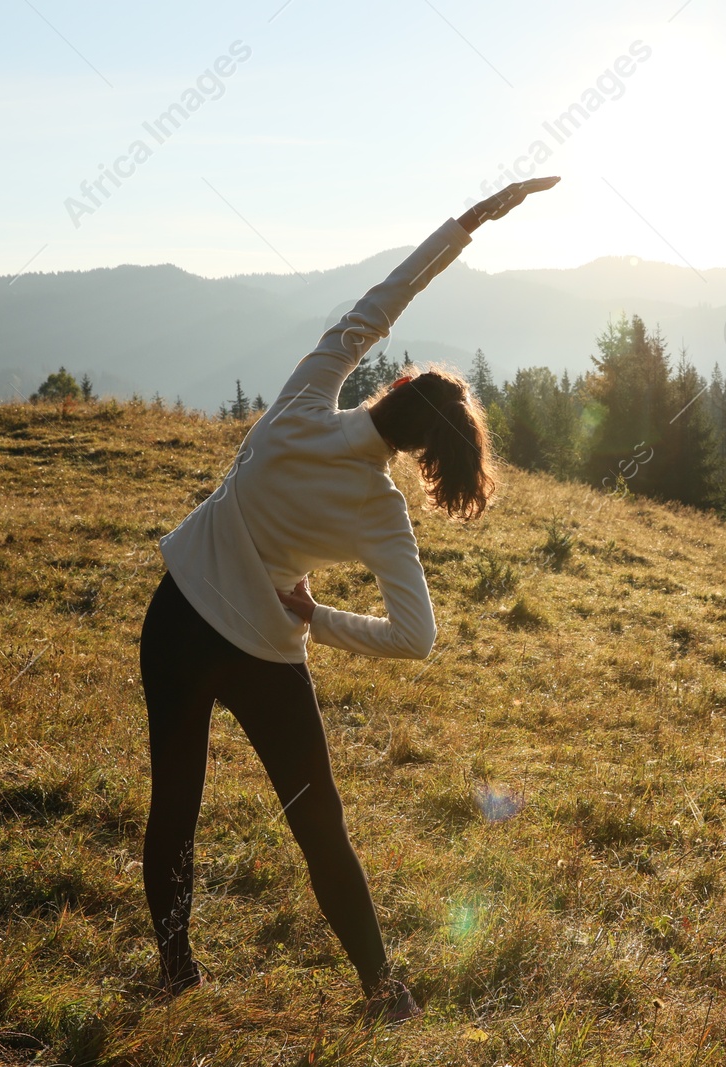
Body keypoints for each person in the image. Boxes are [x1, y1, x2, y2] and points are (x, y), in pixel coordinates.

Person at [136, 177, 559, 1023]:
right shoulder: (380, 510)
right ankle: (381, 991)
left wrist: (469, 221)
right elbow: (416, 636)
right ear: (428, 455)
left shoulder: (302, 403)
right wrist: (318, 619)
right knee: (318, 825)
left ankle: (178, 972)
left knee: (174, 802)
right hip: (263, 648)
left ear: (391, 387)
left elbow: (380, 301)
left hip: (178, 616)